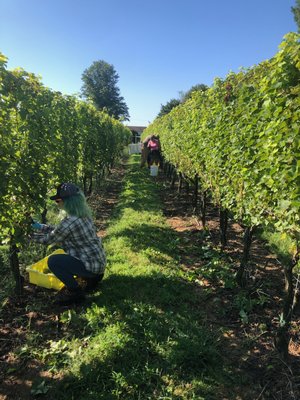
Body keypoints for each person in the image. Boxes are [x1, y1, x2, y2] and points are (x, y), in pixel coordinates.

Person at [31, 182, 106, 306]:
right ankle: (91, 279)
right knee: (64, 259)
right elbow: (59, 230)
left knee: (54, 261)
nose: (57, 203)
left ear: (68, 202)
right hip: (98, 265)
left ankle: (75, 292)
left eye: (58, 200)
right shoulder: (83, 214)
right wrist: (40, 227)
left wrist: (28, 236)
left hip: (92, 268)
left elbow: (48, 240)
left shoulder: (69, 222)